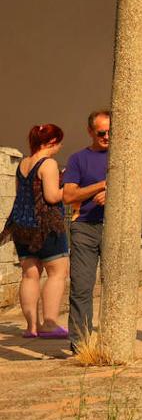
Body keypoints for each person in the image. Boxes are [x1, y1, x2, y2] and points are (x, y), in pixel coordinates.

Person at [62, 109, 142, 350]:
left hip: (118, 229)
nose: (107, 136)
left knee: (117, 286)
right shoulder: (78, 159)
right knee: (81, 287)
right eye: (102, 132)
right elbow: (69, 195)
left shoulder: (125, 156)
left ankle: (115, 340)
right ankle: (80, 343)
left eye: (112, 131)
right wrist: (101, 185)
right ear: (90, 131)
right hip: (85, 229)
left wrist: (114, 193)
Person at [1, 124, 68, 338]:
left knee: (29, 276)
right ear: (50, 142)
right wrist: (67, 187)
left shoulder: (23, 164)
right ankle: (49, 325)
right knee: (57, 273)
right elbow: (51, 197)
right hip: (46, 226)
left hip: (22, 227)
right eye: (59, 141)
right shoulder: (48, 164)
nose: (60, 145)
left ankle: (31, 327)